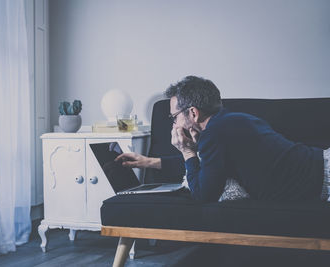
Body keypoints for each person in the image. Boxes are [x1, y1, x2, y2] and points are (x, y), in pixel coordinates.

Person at [116, 76, 330, 202]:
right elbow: (208, 164)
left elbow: (203, 194)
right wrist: (149, 162)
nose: (173, 123)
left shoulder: (215, 134)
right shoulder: (231, 121)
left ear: (193, 113)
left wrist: (188, 151)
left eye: (174, 116)